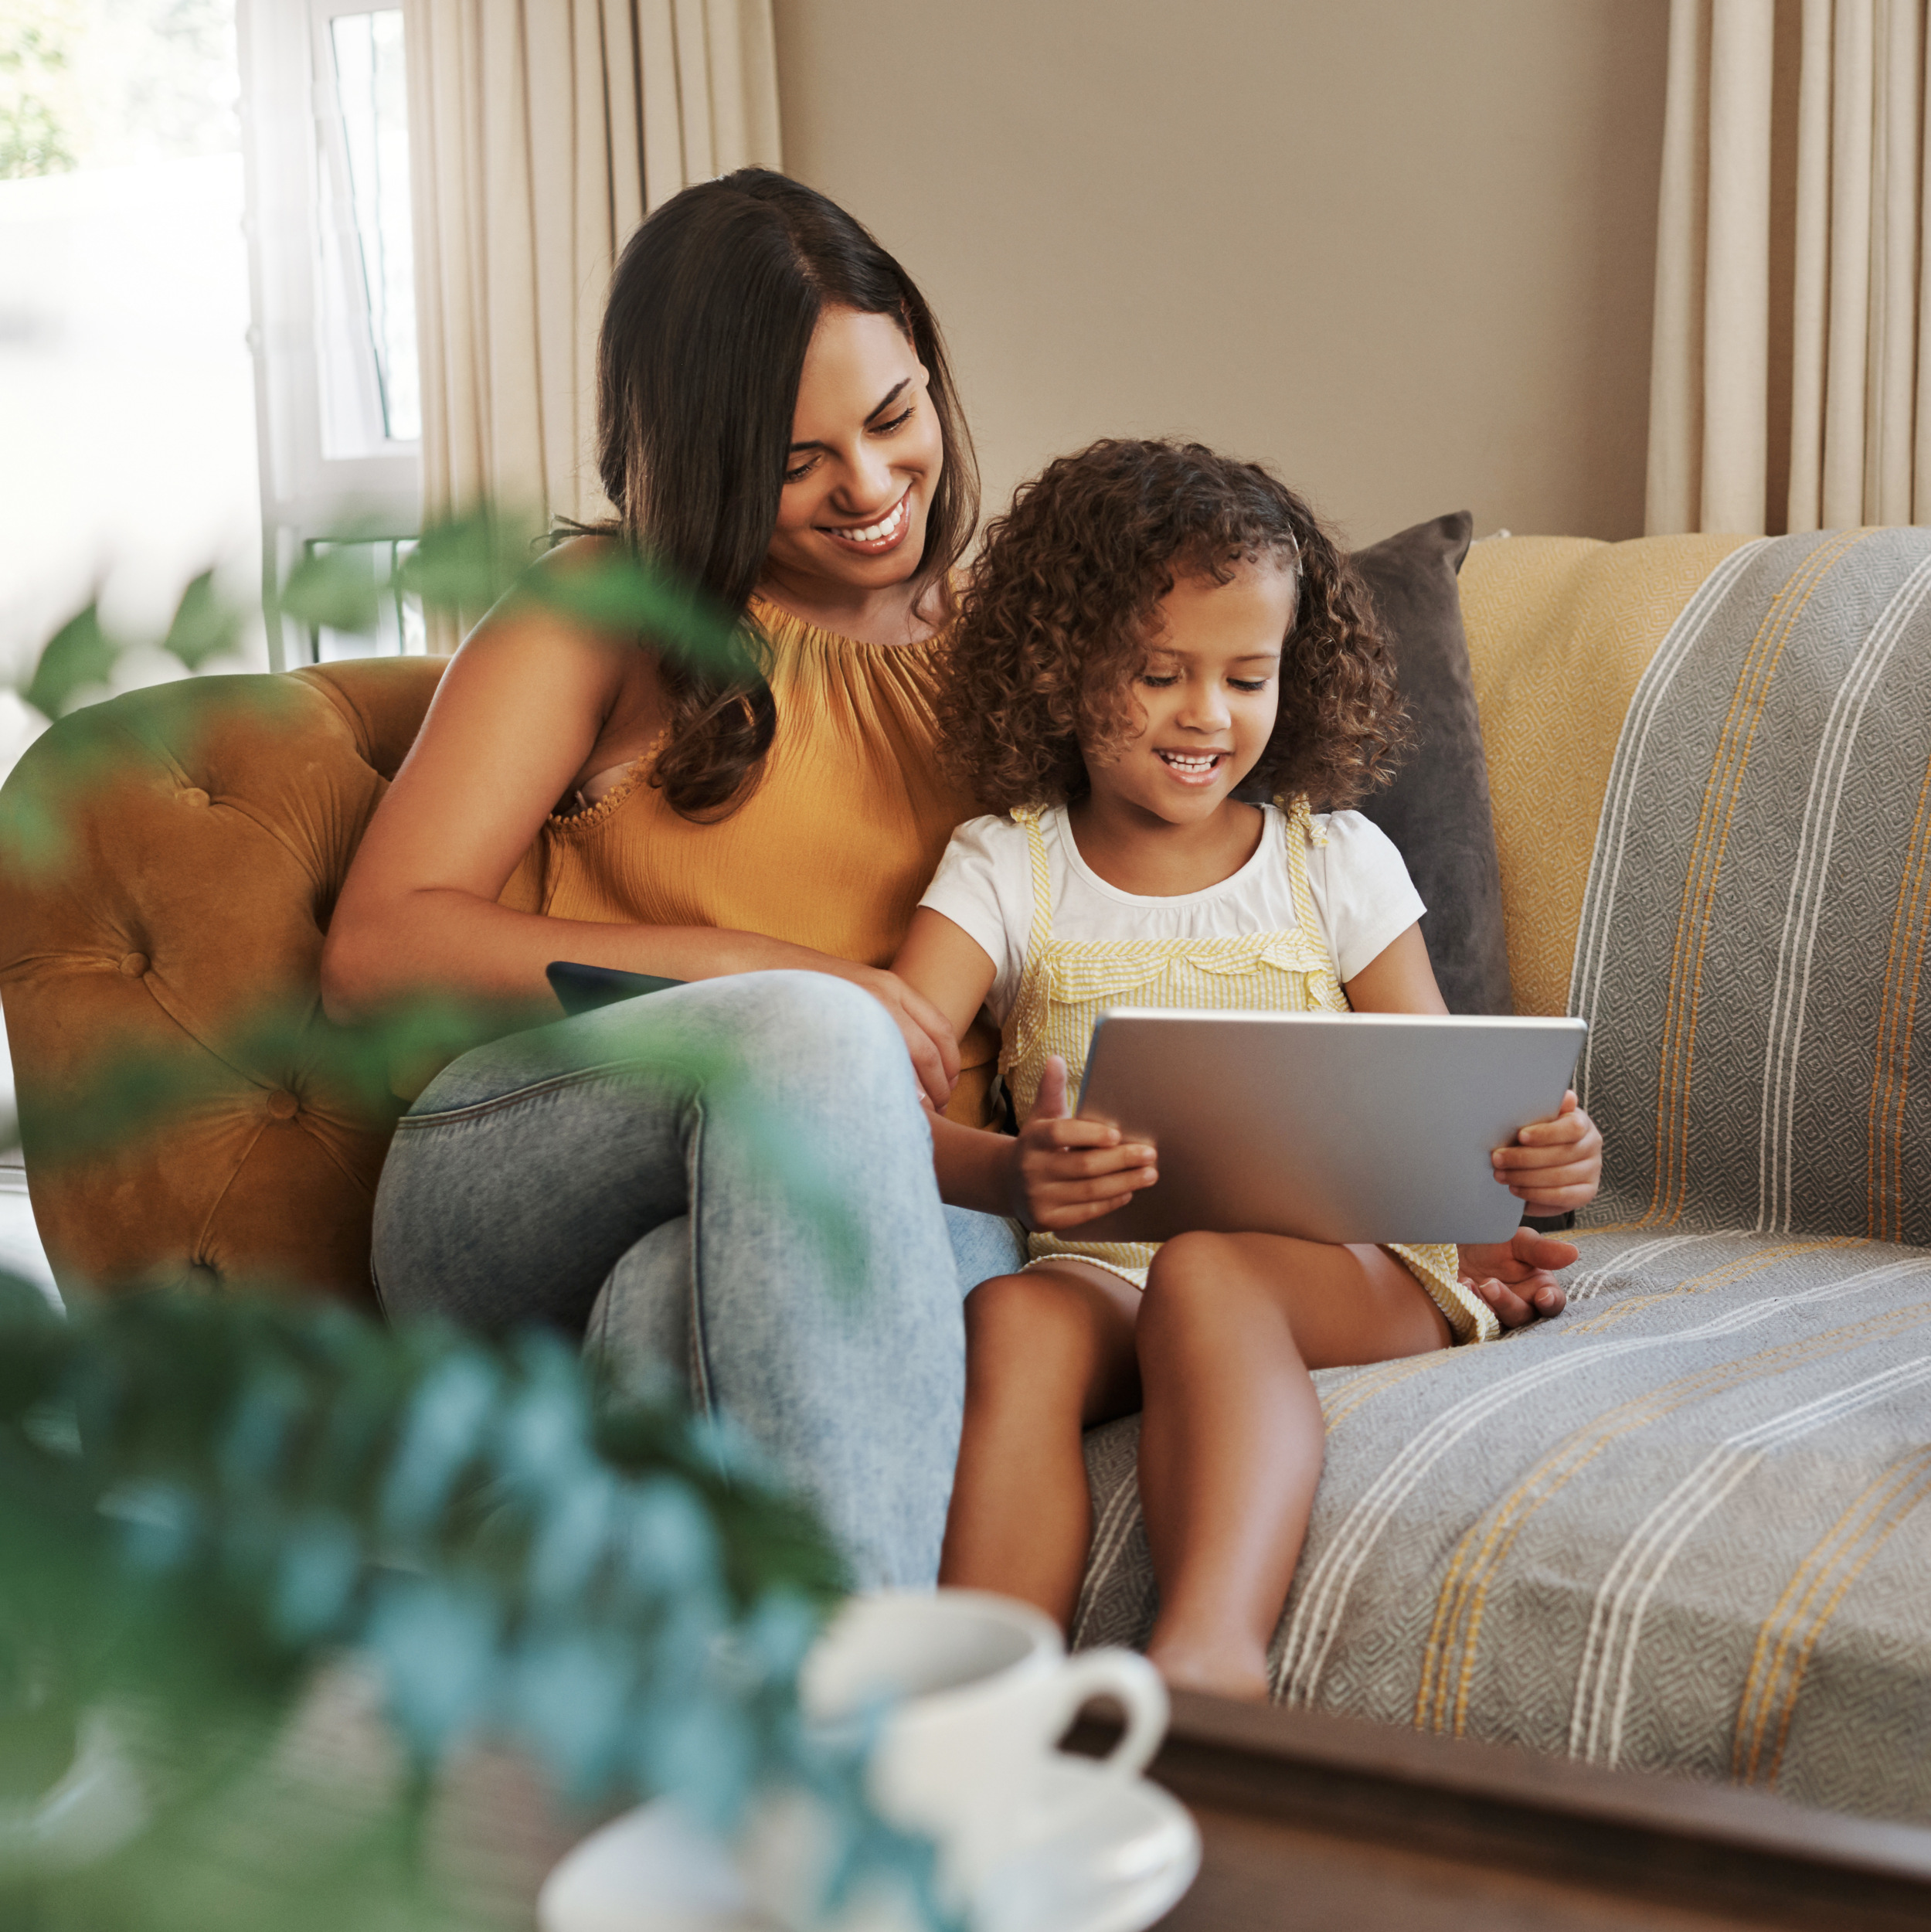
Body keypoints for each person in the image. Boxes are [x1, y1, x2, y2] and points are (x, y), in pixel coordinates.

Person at [320, 169, 1022, 1590]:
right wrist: (777, 974)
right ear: (700, 456)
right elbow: (375, 956)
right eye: (794, 459)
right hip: (523, 1159)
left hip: (885, 1194)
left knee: (662, 1317)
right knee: (809, 1043)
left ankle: (721, 1748)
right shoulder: (604, 611)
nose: (873, 489)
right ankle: (867, 1747)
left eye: (895, 420)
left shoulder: (1008, 642)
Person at [891, 439, 1603, 1696]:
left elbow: (1455, 1104)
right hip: (1103, 1277)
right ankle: (977, 1697)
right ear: (1061, 668)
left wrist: (1544, 1161)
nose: (1207, 716)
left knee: (1213, 1274)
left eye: (1247, 675)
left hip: (1338, 1274)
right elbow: (878, 1096)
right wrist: (1012, 1173)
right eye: (1159, 673)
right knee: (1011, 1316)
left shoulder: (1335, 859)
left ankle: (1209, 1661)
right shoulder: (1004, 868)